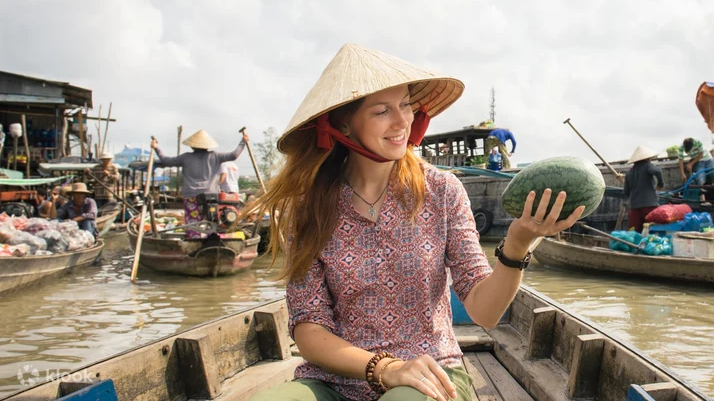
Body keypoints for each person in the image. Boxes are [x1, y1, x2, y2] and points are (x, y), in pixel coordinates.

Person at [247, 43, 583, 401]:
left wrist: (516, 245)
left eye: (406, 105)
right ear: (343, 123)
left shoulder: (441, 191)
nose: (402, 121)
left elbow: (484, 312)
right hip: (334, 381)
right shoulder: (309, 206)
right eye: (382, 111)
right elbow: (309, 328)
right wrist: (384, 368)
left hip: (429, 375)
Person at [152, 129, 248, 238]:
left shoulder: (186, 157)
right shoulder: (215, 155)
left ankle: (194, 241)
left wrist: (156, 148)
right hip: (211, 196)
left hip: (191, 196)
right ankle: (214, 240)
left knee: (193, 223)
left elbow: (166, 160)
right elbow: (234, 155)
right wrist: (243, 142)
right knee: (212, 221)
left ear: (192, 146)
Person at [621, 146, 664, 231]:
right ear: (647, 158)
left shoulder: (629, 172)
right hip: (649, 206)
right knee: (651, 232)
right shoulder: (648, 166)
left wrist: (628, 201)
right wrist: (660, 184)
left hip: (634, 208)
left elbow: (626, 192)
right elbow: (657, 171)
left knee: (634, 233)